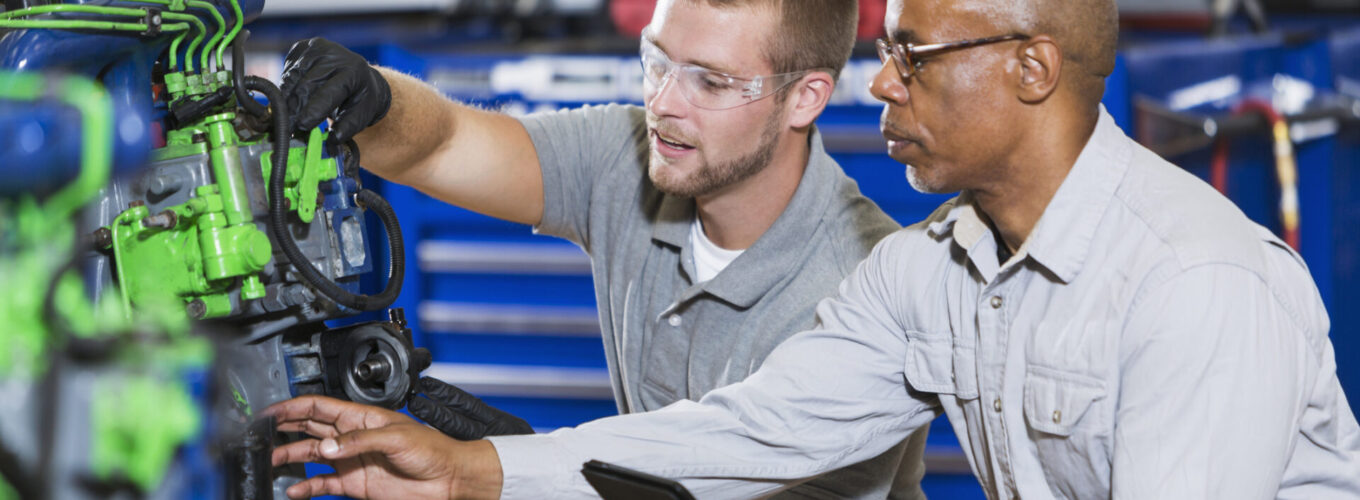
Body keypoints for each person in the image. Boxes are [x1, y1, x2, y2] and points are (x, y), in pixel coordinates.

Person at [268, 0, 1360, 498]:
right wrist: (479, 467)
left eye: (913, 58)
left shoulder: (1195, 283)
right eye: (882, 53)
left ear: (1031, 69)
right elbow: (756, 428)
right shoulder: (931, 273)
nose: (879, 84)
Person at [276, 0, 931, 498]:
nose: (665, 104)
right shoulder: (633, 157)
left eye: (710, 80)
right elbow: (442, 142)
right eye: (658, 59)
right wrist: (377, 101)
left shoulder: (861, 292)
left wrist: (508, 470)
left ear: (806, 98)